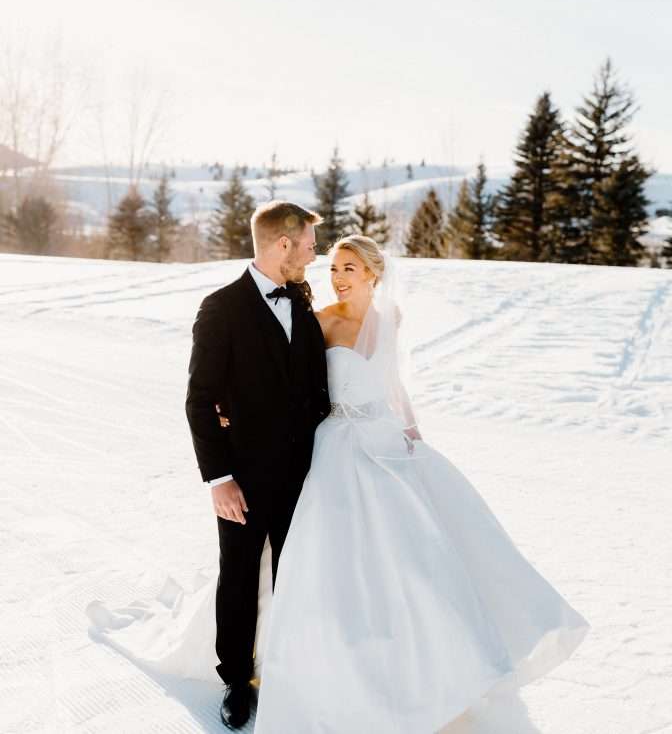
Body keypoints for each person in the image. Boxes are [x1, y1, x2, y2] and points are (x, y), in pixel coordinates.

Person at [252, 234, 590, 733]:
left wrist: (409, 424)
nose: (339, 277)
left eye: (348, 268)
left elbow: (391, 379)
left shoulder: (392, 319)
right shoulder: (320, 322)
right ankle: (335, 666)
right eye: (334, 269)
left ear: (372, 273)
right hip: (339, 443)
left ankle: (441, 665)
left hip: (386, 435)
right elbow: (293, 385)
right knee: (340, 554)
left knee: (423, 553)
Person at [184, 200, 330, 728]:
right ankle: (237, 681)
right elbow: (200, 400)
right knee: (240, 577)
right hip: (242, 479)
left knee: (297, 575)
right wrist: (219, 479)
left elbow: (317, 392)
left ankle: (295, 670)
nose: (315, 255)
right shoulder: (221, 308)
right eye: (310, 245)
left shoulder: (302, 304)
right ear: (283, 244)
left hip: (306, 476)